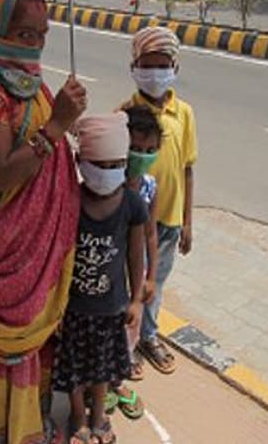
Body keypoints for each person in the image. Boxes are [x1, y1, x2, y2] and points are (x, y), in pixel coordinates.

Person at [0, 0, 87, 444]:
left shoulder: (24, 80)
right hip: (8, 240)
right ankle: (12, 429)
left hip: (41, 237)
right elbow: (5, 174)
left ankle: (36, 419)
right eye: (25, 34)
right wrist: (57, 126)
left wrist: (70, 126)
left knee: (42, 337)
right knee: (15, 336)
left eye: (42, 34)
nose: (35, 44)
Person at [51, 113, 147, 444]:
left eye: (116, 164)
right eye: (100, 165)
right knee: (75, 367)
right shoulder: (71, 202)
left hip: (112, 308)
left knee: (103, 366)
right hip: (74, 309)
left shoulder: (132, 204)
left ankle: (99, 415)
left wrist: (136, 298)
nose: (109, 173)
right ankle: (77, 415)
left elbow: (136, 254)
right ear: (81, 161)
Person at [126, 26, 197, 377]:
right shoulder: (125, 113)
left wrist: (187, 222)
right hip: (133, 222)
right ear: (134, 67)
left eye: (162, 65)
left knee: (156, 281)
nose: (155, 73)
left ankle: (148, 336)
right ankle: (125, 341)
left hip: (167, 220)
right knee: (130, 282)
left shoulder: (184, 114)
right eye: (147, 65)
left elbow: (187, 168)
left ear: (175, 68)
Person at [109, 105, 162, 420]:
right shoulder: (105, 183)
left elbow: (151, 234)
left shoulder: (150, 187)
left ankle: (116, 380)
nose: (142, 155)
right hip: (108, 270)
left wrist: (151, 276)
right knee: (102, 327)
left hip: (135, 273)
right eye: (135, 149)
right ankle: (96, 385)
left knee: (129, 327)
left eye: (150, 150)